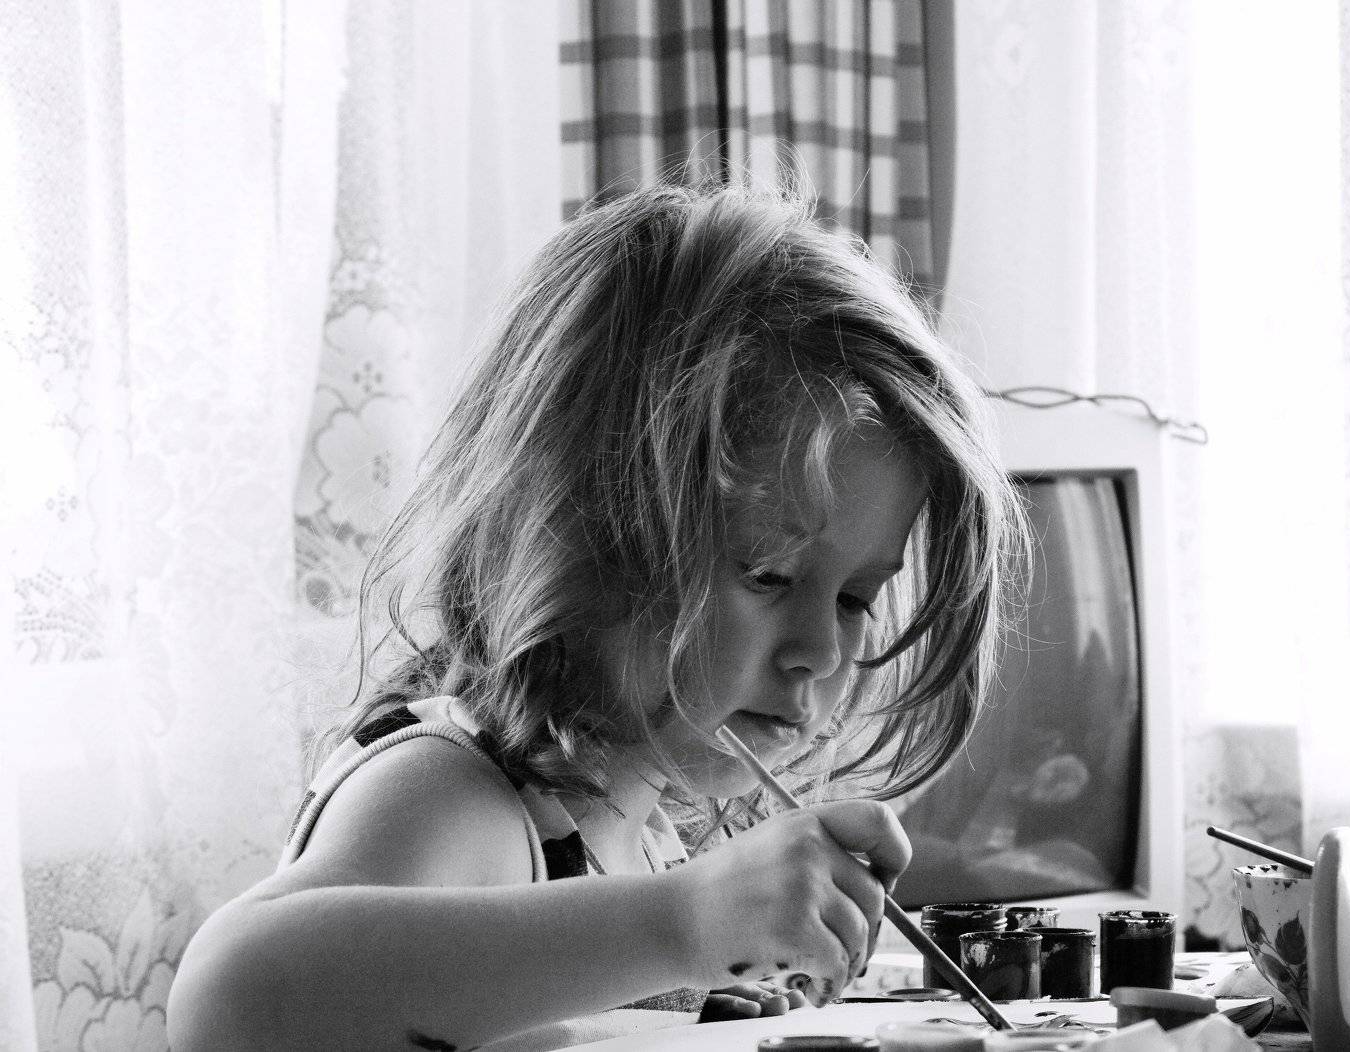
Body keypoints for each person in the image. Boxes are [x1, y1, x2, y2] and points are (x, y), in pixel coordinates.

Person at [167, 180, 1028, 1052]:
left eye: (854, 599)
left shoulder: (641, 836)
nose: (820, 651)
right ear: (580, 534)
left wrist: (681, 1005)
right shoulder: (459, 794)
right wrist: (683, 923)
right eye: (768, 574)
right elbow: (230, 1001)